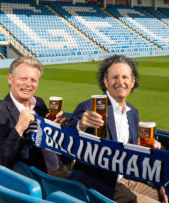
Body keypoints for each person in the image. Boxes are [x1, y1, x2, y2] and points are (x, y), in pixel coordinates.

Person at [68, 54, 162, 203]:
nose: (120, 82)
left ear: (132, 82)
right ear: (105, 82)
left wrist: (153, 147)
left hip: (124, 179)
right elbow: (67, 142)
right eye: (114, 77)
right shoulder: (90, 107)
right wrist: (81, 126)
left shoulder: (133, 112)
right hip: (98, 184)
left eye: (125, 77)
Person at [0, 57, 68, 176]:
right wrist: (19, 129)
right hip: (38, 182)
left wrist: (60, 127)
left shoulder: (40, 104)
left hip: (61, 169)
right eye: (23, 78)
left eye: (34, 80)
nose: (28, 84)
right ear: (10, 78)